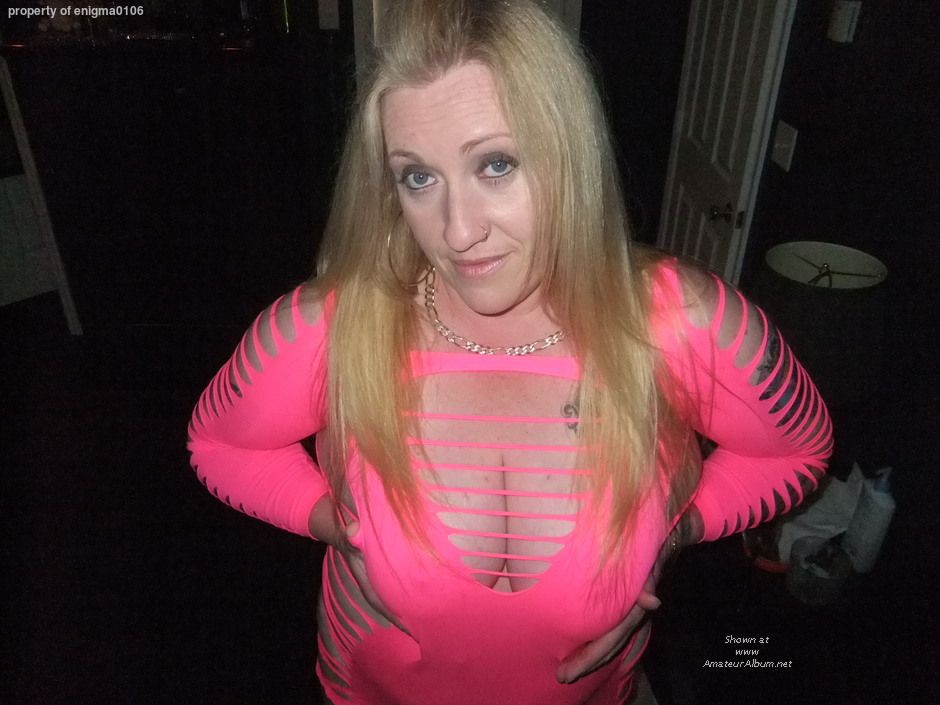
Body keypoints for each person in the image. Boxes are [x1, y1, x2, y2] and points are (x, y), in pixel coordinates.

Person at [187, 1, 832, 703]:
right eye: (418, 176)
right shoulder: (332, 328)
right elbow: (218, 446)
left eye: (495, 164)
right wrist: (337, 527)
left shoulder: (685, 324)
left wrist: (672, 532)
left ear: (568, 155)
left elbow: (798, 453)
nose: (458, 231)